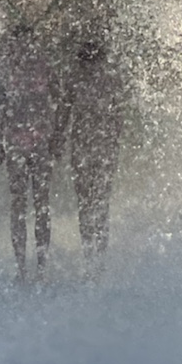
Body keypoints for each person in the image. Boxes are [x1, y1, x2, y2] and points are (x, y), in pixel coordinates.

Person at [0, 25, 62, 281]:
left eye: (27, 42)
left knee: (40, 203)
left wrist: (57, 135)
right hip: (17, 143)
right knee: (20, 203)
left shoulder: (44, 66)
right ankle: (22, 267)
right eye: (18, 43)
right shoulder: (6, 68)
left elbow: (60, 98)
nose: (23, 47)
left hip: (39, 142)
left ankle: (41, 267)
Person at [60, 39, 124, 266]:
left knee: (97, 202)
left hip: (97, 147)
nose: (90, 69)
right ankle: (91, 256)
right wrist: (58, 137)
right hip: (88, 147)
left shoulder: (107, 79)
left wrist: (58, 137)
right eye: (87, 65)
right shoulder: (80, 79)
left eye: (92, 64)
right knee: (89, 203)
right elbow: (64, 111)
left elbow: (118, 116)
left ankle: (98, 257)